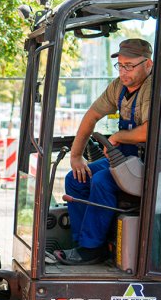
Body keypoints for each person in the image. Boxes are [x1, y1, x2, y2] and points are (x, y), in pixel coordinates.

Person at [54, 38, 153, 265]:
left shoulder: (153, 89)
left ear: (148, 64)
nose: (124, 71)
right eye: (120, 65)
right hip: (124, 160)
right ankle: (83, 245)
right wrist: (76, 156)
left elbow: (149, 131)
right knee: (77, 177)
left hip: (148, 165)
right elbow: (92, 116)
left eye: (130, 65)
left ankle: (91, 248)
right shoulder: (118, 86)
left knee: (101, 180)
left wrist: (118, 137)